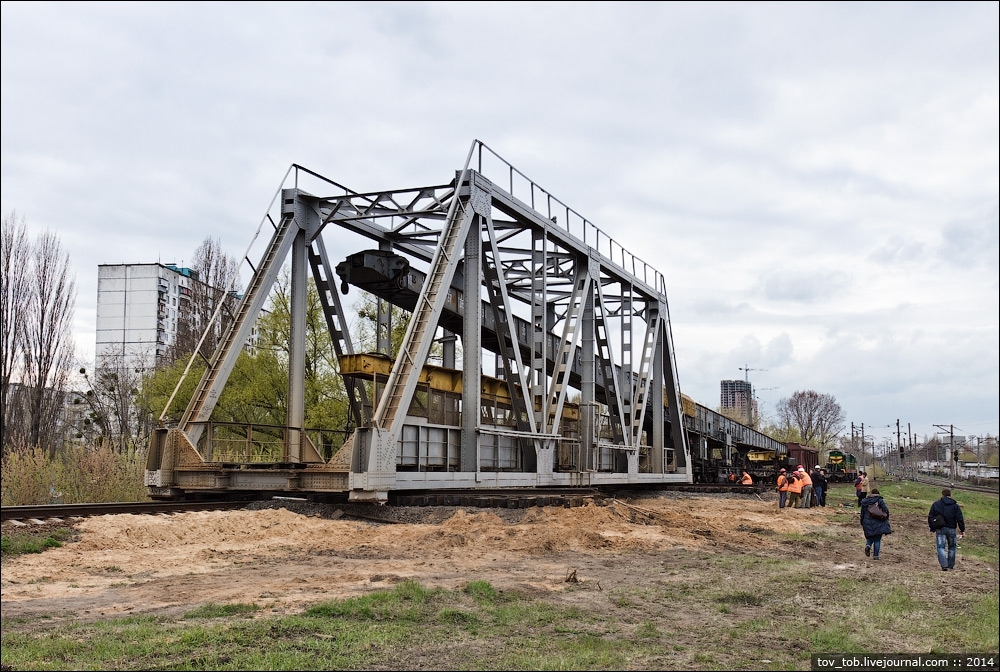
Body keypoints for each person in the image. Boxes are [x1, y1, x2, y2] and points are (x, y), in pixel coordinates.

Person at [927, 488, 966, 571]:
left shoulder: (936, 504)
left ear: (942, 495)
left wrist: (932, 527)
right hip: (952, 529)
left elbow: (930, 517)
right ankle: (950, 565)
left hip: (940, 529)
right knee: (952, 547)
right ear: (950, 495)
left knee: (941, 547)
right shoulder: (955, 506)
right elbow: (960, 518)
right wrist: (962, 530)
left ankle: (944, 565)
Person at [859, 487, 892, 560]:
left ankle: (868, 545)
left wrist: (862, 521)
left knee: (870, 536)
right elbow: (886, 510)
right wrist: (886, 519)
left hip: (867, 521)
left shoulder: (865, 501)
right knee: (877, 539)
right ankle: (876, 556)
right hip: (878, 521)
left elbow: (862, 513)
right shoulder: (879, 500)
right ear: (877, 494)